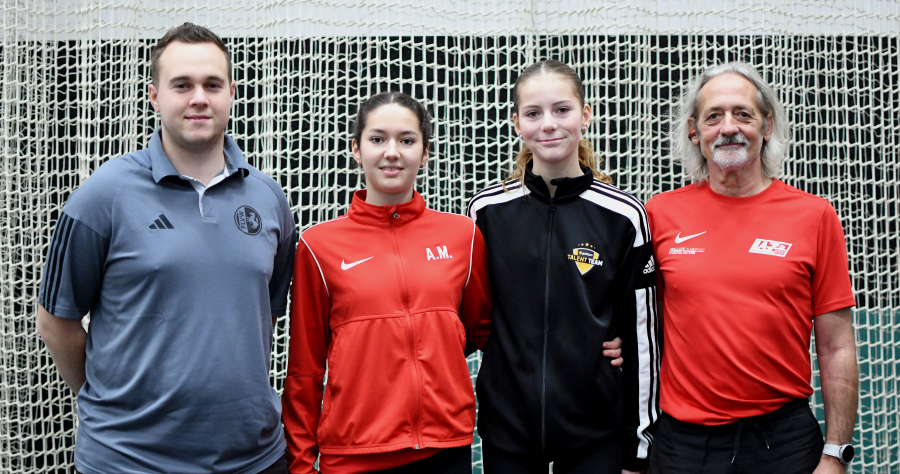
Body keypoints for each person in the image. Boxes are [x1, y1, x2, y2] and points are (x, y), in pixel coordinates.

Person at [35, 23, 295, 474]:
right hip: (128, 462)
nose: (199, 98)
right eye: (182, 85)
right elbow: (56, 321)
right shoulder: (103, 195)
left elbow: (264, 314)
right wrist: (109, 399)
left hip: (255, 460)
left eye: (212, 84)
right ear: (155, 95)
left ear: (232, 93)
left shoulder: (269, 199)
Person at [645, 62, 858, 474]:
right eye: (714, 116)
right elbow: (639, 322)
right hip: (683, 445)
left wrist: (835, 454)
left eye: (743, 114)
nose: (728, 127)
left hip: (783, 443)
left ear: (767, 125)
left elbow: (837, 347)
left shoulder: (815, 216)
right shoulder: (659, 213)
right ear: (695, 131)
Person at [467, 60, 660, 474]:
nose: (549, 124)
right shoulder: (485, 212)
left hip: (596, 433)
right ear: (517, 123)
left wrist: (637, 448)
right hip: (508, 431)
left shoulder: (626, 215)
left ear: (585, 115)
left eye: (562, 110)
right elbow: (467, 318)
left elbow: (642, 337)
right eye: (533, 114)